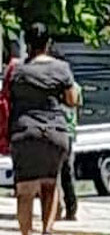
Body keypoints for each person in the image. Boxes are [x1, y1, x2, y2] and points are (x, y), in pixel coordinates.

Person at [9, 23, 79, 235]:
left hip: (25, 132)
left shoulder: (18, 70)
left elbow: (10, 98)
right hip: (54, 133)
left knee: (25, 190)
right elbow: (71, 101)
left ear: (27, 43)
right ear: (48, 44)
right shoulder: (62, 69)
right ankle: (46, 231)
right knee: (50, 184)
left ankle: (26, 232)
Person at [60, 82, 81, 220]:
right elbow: (78, 110)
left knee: (56, 173)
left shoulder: (55, 86)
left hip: (58, 130)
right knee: (68, 173)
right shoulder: (77, 87)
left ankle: (58, 208)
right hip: (69, 133)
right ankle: (71, 209)